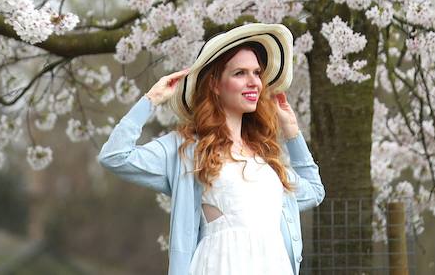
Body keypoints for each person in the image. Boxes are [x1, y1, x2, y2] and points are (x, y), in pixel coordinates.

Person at [99, 23, 326, 275]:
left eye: (257, 73)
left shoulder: (265, 159)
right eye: (240, 73)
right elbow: (115, 156)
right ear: (216, 84)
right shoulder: (188, 149)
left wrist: (293, 133)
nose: (254, 82)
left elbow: (314, 191)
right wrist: (150, 100)